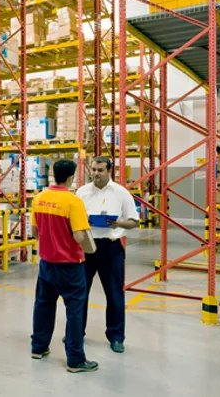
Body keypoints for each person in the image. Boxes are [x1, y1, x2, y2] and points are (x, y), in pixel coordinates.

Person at [30, 158, 98, 373]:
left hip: (46, 263)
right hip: (69, 265)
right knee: (75, 311)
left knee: (43, 304)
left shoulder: (39, 198)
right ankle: (75, 359)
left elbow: (34, 232)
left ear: (53, 174)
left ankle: (38, 347)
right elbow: (80, 235)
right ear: (71, 177)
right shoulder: (73, 201)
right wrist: (91, 249)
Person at [76, 156, 141, 354]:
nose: (96, 173)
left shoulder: (121, 193)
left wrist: (117, 224)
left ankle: (116, 337)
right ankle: (77, 332)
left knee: (114, 294)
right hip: (87, 247)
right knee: (80, 293)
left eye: (100, 170)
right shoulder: (82, 192)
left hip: (111, 249)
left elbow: (134, 221)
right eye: (94, 170)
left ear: (109, 171)